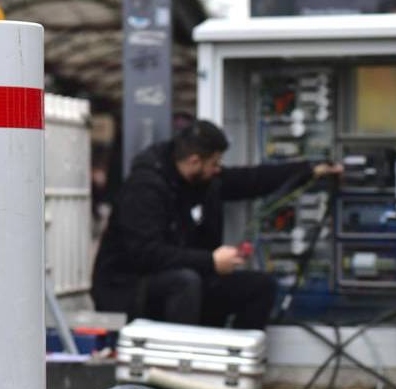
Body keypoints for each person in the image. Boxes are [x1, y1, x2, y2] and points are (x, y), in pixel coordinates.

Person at [91, 120, 341, 330]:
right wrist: (210, 261)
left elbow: (250, 180)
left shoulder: (201, 180)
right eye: (215, 164)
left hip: (181, 278)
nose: (218, 170)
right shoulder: (145, 188)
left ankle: (233, 360)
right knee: (185, 282)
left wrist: (308, 170)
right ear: (194, 161)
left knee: (259, 287)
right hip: (128, 288)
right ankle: (181, 367)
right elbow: (146, 254)